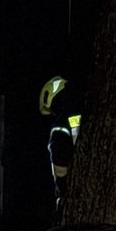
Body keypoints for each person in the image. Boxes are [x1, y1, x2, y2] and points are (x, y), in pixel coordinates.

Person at [38, 76, 82, 213]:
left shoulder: (60, 125)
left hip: (77, 191)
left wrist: (62, 187)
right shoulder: (84, 109)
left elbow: (59, 154)